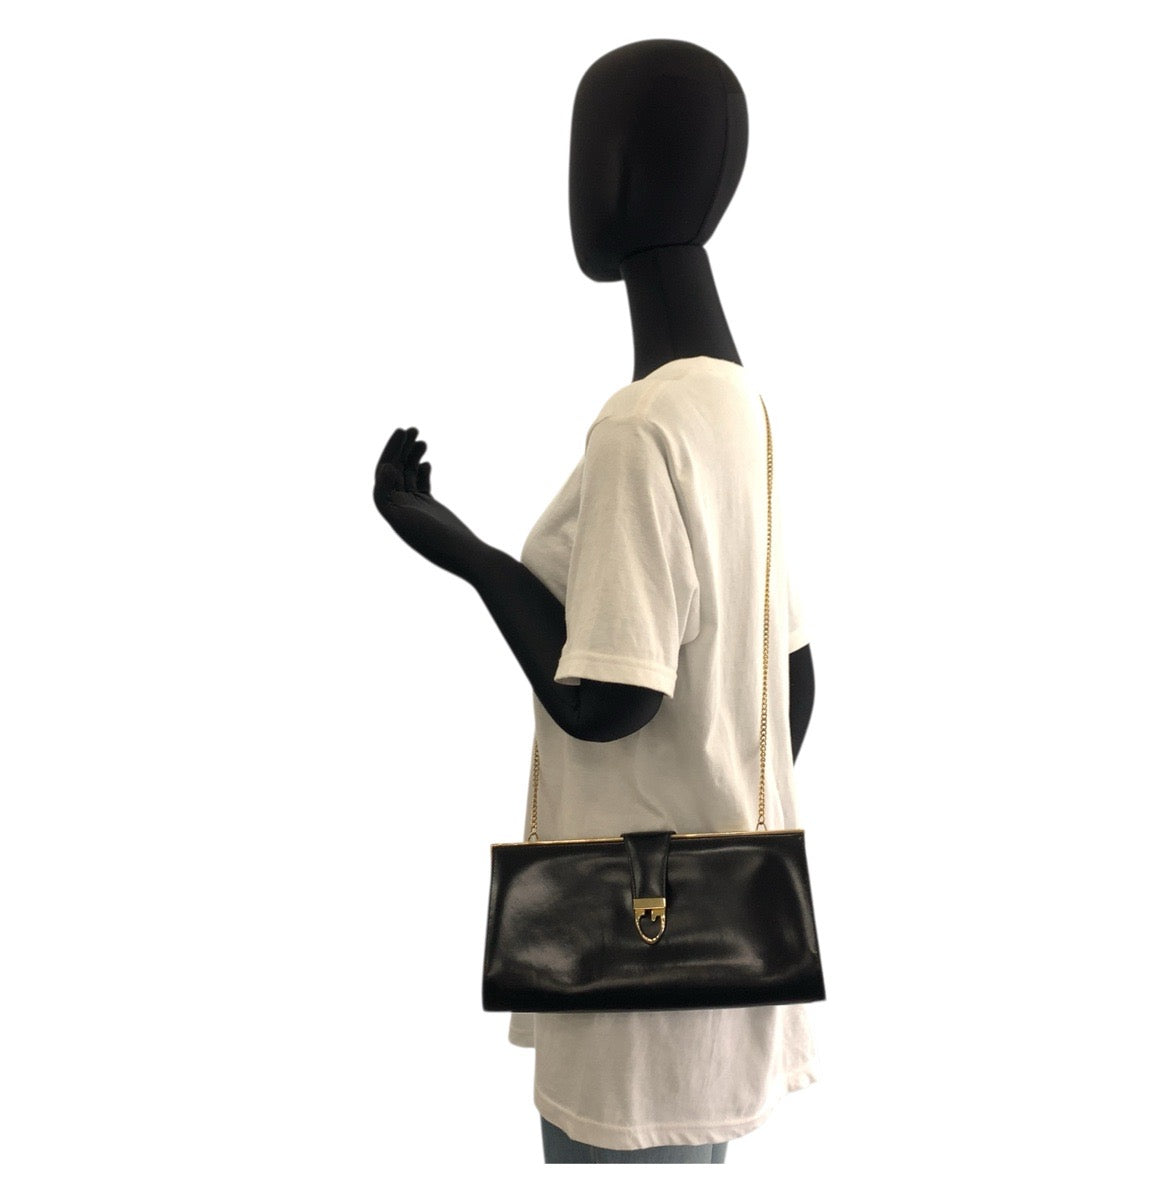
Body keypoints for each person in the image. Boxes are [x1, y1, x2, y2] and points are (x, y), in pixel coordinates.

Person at [374, 37, 819, 1163]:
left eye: (588, 150)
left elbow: (607, 702)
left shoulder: (640, 428)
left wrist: (471, 556)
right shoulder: (743, 409)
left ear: (627, 176)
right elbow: (795, 683)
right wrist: (712, 801)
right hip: (727, 955)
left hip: (634, 968)